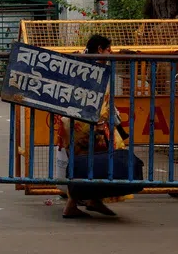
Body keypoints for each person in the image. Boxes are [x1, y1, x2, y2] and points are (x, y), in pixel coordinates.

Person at [58, 34, 145, 219]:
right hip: (86, 125)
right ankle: (76, 204)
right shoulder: (91, 69)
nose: (110, 52)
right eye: (108, 49)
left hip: (81, 123)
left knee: (92, 163)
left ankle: (92, 200)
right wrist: (97, 122)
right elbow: (87, 99)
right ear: (99, 49)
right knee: (93, 162)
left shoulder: (83, 63)